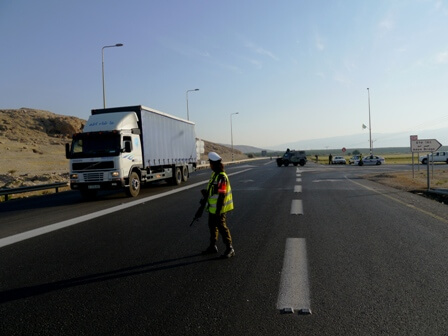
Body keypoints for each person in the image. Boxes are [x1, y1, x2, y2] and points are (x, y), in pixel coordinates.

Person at [201, 151, 235, 258]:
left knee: (222, 227)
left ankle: (230, 248)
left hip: (219, 209)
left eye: (210, 163)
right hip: (212, 208)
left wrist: (218, 211)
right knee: (212, 227)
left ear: (214, 164)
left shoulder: (221, 177)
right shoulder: (214, 175)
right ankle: (212, 246)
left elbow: (222, 195)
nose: (210, 165)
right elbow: (214, 191)